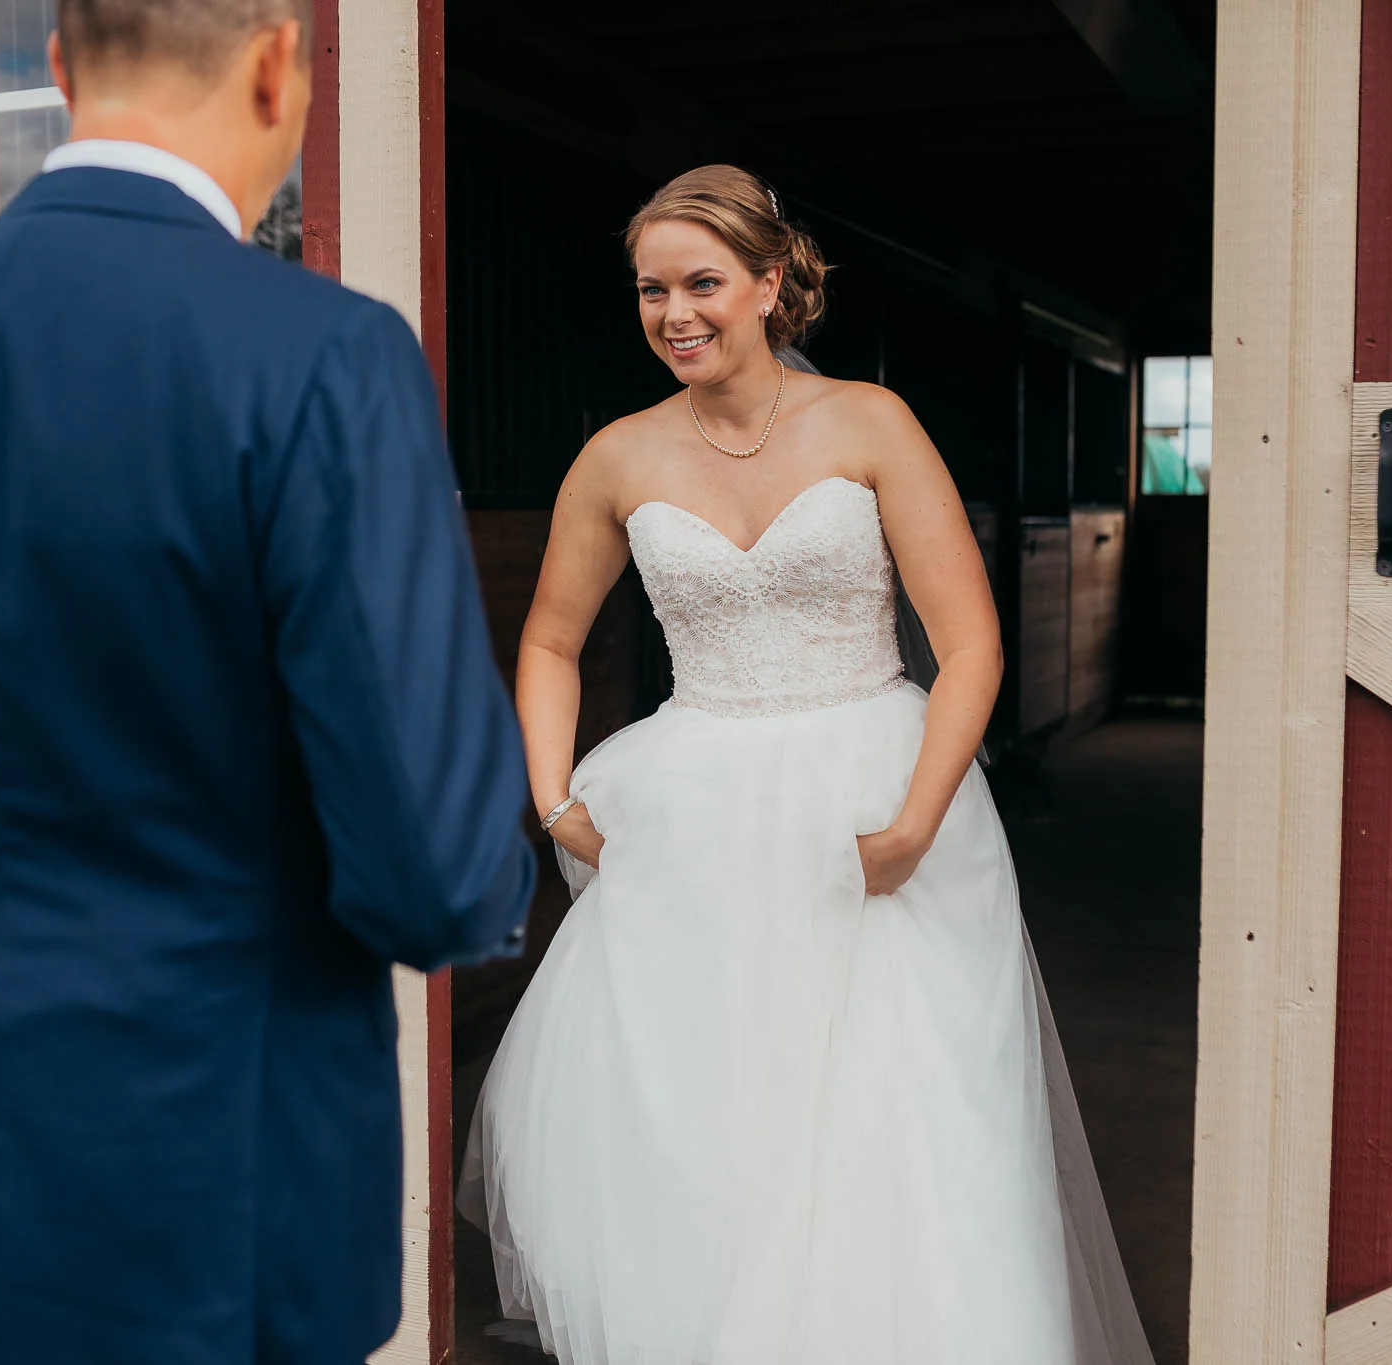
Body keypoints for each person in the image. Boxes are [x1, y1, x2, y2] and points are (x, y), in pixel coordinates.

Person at [0, 2, 535, 1361]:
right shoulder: (325, 356)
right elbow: (434, 870)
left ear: (57, 66)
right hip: (213, 1175)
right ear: (279, 65)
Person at [458, 166, 1153, 1364]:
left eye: (702, 283)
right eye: (650, 290)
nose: (674, 312)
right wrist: (550, 793)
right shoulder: (617, 457)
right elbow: (549, 639)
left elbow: (972, 640)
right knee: (707, 1122)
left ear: (770, 284)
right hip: (690, 814)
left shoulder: (869, 423)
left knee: (902, 1125)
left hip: (871, 791)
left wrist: (915, 823)